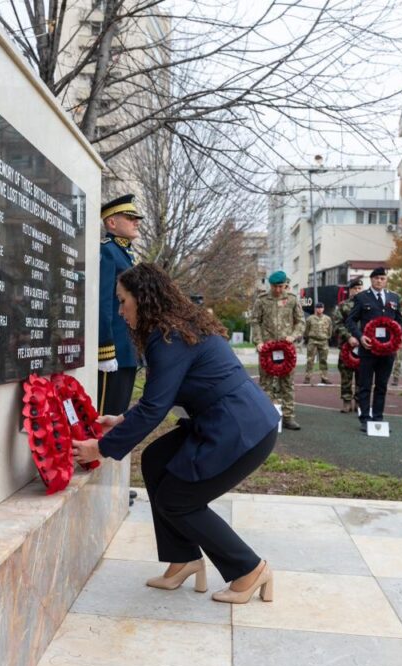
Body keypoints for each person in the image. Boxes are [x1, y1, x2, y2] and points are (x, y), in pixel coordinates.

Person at [72, 263, 278, 604]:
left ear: (143, 298)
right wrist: (122, 421)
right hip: (227, 420)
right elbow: (159, 399)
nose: (120, 311)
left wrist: (101, 448)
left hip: (241, 430)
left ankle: (249, 568)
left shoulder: (168, 337)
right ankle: (183, 559)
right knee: (156, 460)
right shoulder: (174, 329)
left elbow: (154, 408)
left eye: (123, 301)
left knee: (178, 500)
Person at [97, 194, 143, 416]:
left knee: (117, 416)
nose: (136, 222)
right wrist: (105, 348)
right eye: (130, 217)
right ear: (112, 222)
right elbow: (103, 301)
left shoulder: (127, 255)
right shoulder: (107, 251)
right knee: (105, 416)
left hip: (128, 349)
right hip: (114, 350)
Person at [345, 267, 402, 431]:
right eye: (377, 278)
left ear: (386, 280)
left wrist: (399, 335)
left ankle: (378, 417)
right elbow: (350, 321)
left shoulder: (394, 297)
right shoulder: (362, 297)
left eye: (382, 278)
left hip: (388, 350)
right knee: (365, 384)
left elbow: (399, 320)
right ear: (371, 280)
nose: (379, 281)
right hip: (368, 348)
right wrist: (360, 336)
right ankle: (365, 418)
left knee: (382, 385)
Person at [250, 271, 305, 429]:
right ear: (270, 285)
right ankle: (266, 416)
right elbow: (255, 321)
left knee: (287, 383)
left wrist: (293, 336)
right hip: (267, 349)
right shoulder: (261, 300)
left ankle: (288, 417)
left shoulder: (292, 299)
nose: (278, 290)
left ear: (285, 285)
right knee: (265, 383)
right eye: (275, 286)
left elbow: (300, 321)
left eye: (281, 286)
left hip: (286, 348)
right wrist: (258, 342)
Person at [331, 279, 363, 413]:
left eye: (360, 288)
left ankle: (359, 402)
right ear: (350, 290)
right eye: (355, 288)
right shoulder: (342, 306)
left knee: (362, 375)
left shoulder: (367, 305)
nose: (358, 291)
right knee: (346, 375)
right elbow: (337, 324)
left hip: (363, 345)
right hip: (346, 345)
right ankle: (347, 401)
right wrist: (349, 337)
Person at [303, 301, 333, 385]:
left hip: (323, 341)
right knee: (310, 360)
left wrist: (327, 337)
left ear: (323, 309)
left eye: (321, 308)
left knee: (323, 360)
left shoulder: (327, 319)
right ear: (315, 309)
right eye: (318, 308)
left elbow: (330, 329)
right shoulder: (310, 318)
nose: (319, 309)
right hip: (312, 341)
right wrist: (308, 337)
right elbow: (306, 330)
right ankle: (307, 377)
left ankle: (324, 377)